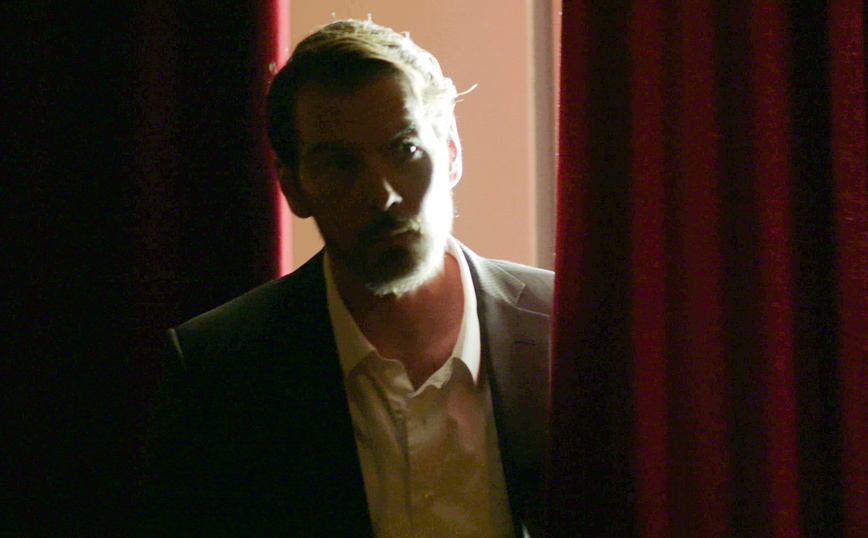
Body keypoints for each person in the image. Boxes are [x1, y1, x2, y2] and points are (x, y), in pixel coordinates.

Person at [143, 19, 553, 537]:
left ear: (451, 151)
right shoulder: (219, 373)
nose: (381, 194)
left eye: (404, 149)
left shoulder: (564, 327)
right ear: (292, 188)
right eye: (339, 164)